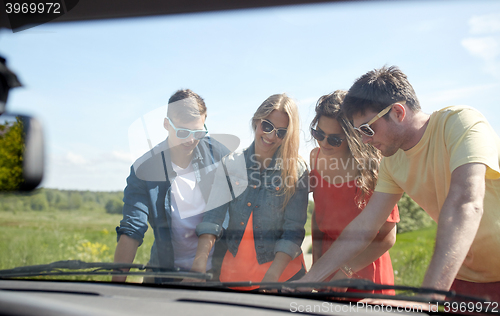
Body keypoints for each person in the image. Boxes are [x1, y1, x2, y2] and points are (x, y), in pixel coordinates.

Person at [298, 65, 500, 302]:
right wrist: (310, 280)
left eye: (367, 128)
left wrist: (424, 301)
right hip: (464, 276)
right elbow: (365, 225)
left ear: (397, 112)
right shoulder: (392, 162)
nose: (364, 139)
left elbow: (465, 204)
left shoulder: (459, 122)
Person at [190, 93, 309, 288]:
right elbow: (213, 220)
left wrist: (271, 279)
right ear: (256, 121)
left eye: (281, 132)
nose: (271, 136)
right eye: (267, 126)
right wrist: (198, 266)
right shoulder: (230, 164)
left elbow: (293, 232)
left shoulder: (298, 171)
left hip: (282, 278)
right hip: (233, 276)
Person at [113, 89, 230, 283]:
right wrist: (116, 286)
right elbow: (132, 228)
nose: (191, 140)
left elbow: (222, 215)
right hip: (165, 272)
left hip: (217, 272)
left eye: (198, 132)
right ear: (167, 124)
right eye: (183, 132)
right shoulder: (144, 169)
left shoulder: (219, 155)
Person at [308, 90, 399, 295]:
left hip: (365, 269)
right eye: (319, 134)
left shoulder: (373, 169)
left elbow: (387, 238)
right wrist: (317, 266)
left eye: (334, 140)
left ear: (353, 137)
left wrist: (346, 271)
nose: (323, 143)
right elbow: (318, 217)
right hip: (329, 264)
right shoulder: (316, 157)